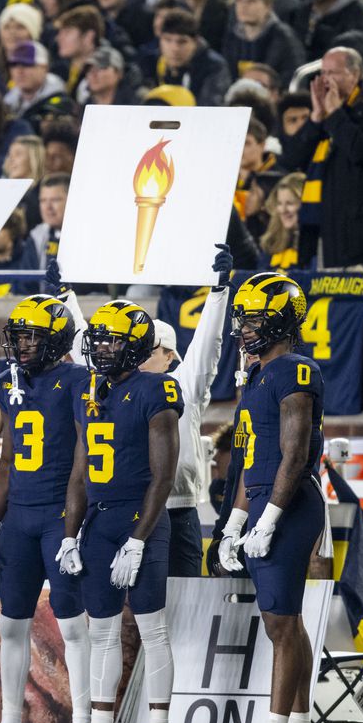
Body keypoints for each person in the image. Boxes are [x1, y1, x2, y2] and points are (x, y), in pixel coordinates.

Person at [0, 295, 91, 723]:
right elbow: (6, 461)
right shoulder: (9, 381)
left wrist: (76, 527)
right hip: (19, 515)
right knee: (12, 624)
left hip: (59, 513)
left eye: (33, 335)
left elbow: (83, 457)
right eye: (19, 335)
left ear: (57, 338)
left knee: (72, 624)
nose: (23, 344)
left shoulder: (78, 380)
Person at [59, 301, 182, 723]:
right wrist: (70, 534)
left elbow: (162, 477)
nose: (102, 347)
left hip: (141, 518)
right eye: (99, 338)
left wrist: (137, 538)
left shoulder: (158, 388)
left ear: (135, 346)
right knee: (101, 633)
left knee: (152, 628)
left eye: (112, 338)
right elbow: (78, 471)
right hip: (100, 520)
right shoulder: (90, 390)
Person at [219, 273, 325, 723]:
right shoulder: (260, 373)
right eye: (243, 316)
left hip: (290, 503)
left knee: (281, 624)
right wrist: (237, 519)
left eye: (256, 317)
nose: (244, 326)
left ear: (283, 318)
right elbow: (249, 457)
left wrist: (270, 518)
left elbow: (294, 452)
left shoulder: (293, 371)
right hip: (264, 500)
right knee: (285, 623)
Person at [144, 247, 233, 578]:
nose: (139, 358)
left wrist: (219, 292)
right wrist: (66, 297)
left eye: (148, 351)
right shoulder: (119, 387)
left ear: (170, 356)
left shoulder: (185, 385)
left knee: (182, 606)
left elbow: (207, 344)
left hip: (179, 511)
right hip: (133, 512)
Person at [280, 47, 363, 270]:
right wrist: (315, 118)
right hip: (324, 234)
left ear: (355, 74)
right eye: (323, 73)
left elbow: (361, 150)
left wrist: (334, 115)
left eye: (334, 73)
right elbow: (292, 158)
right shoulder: (325, 114)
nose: (326, 80)